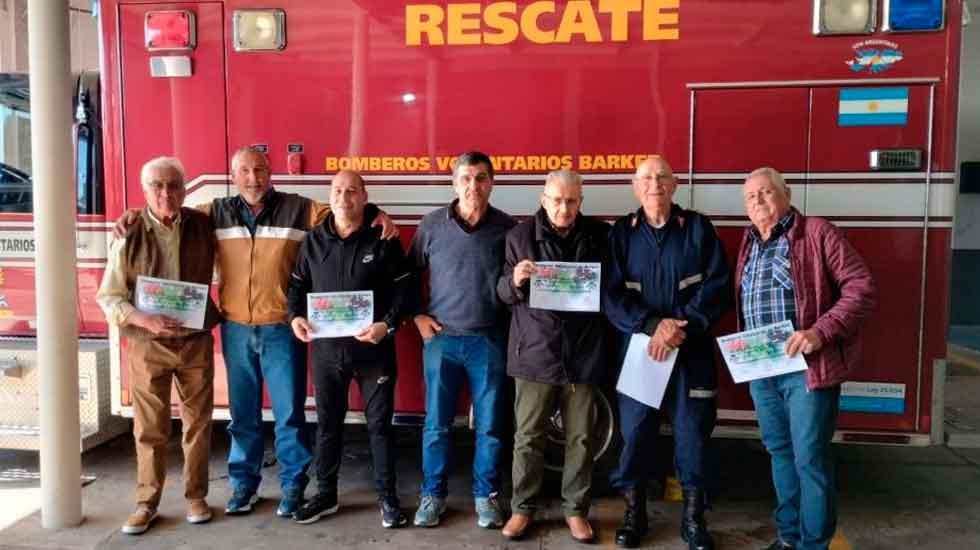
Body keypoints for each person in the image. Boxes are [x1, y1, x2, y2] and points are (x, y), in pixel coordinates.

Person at [113, 146, 397, 518]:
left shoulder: (300, 209)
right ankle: (244, 484)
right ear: (233, 176)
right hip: (235, 330)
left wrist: (377, 213)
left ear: (271, 171)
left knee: (290, 415)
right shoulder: (213, 213)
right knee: (242, 414)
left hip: (282, 330)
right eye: (244, 171)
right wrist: (134, 214)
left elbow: (345, 209)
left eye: (260, 169)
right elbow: (167, 213)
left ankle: (294, 485)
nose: (253, 178)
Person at [736, 167, 876, 550]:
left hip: (808, 371)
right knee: (780, 453)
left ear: (787, 194)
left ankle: (814, 544)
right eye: (751, 197)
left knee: (810, 459)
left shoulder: (816, 232)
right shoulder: (750, 243)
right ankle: (789, 536)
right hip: (763, 369)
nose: (759, 202)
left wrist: (819, 333)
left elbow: (860, 288)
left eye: (766, 193)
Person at [604, 156, 730, 550]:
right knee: (636, 432)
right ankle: (634, 514)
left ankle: (693, 521)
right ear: (634, 185)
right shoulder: (622, 233)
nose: (654, 183)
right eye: (646, 178)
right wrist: (650, 326)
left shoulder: (697, 228)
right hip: (642, 351)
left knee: (693, 435)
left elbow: (718, 286)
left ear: (675, 185)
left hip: (690, 351)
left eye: (662, 177)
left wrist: (679, 327)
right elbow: (611, 295)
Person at [97, 157, 221, 535]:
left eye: (173, 185)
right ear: (144, 190)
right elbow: (109, 296)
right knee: (149, 428)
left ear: (185, 189)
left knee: (198, 424)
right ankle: (146, 502)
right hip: (147, 343)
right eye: (157, 186)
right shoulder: (127, 233)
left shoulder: (204, 224)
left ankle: (196, 497)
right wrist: (143, 319)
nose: (166, 193)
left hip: (194, 341)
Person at [286, 170, 412, 529]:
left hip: (375, 354)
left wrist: (386, 325)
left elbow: (404, 291)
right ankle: (325, 495)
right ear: (330, 196)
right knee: (327, 426)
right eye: (338, 191)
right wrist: (295, 317)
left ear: (364, 196)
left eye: (352, 191)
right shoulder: (312, 242)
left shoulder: (383, 238)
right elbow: (296, 287)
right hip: (326, 355)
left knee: (380, 428)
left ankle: (388, 499)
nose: (345, 198)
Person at [496, 170, 610, 543]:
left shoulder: (600, 235)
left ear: (581, 201)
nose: (564, 208)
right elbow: (499, 292)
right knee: (528, 437)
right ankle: (521, 509)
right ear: (543, 199)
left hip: (583, 354)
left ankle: (575, 510)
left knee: (581, 438)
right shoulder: (518, 236)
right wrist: (514, 280)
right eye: (557, 200)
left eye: (572, 200)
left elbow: (611, 291)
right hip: (534, 353)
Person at [408, 151, 516, 529]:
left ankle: (486, 497)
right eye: (466, 178)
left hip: (489, 342)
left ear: (492, 183)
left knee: (490, 426)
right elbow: (408, 277)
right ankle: (432, 495)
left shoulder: (508, 229)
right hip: (442, 342)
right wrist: (418, 316)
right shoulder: (432, 226)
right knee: (436, 425)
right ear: (454, 183)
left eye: (482, 178)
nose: (474, 186)